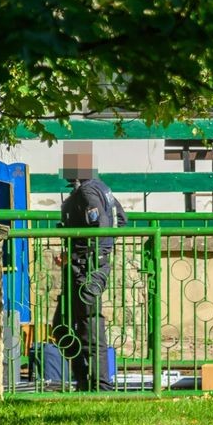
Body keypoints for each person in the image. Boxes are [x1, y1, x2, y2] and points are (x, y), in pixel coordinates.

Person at [50, 141, 126, 391]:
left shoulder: (87, 192)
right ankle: (85, 381)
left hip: (86, 267)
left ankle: (99, 386)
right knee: (63, 327)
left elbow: (100, 227)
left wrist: (85, 254)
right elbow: (122, 221)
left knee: (90, 328)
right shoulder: (103, 189)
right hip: (83, 263)